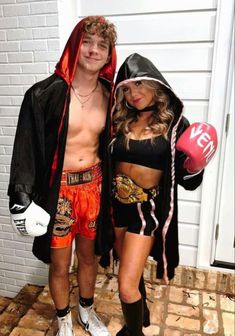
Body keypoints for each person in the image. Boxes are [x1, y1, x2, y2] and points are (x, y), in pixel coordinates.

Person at [8, 16, 117, 336]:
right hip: (60, 193)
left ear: (110, 54)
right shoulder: (43, 94)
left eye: (102, 45)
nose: (94, 50)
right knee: (59, 264)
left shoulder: (113, 96)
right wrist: (22, 197)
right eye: (87, 41)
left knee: (89, 257)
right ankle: (63, 320)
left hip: (95, 189)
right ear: (74, 45)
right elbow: (25, 147)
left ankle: (86, 312)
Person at [110, 53, 217, 336]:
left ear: (157, 85)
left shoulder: (175, 124)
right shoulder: (120, 120)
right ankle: (141, 314)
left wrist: (196, 165)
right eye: (127, 88)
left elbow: (187, 180)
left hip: (146, 211)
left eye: (141, 84)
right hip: (118, 207)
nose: (134, 94)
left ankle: (134, 333)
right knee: (127, 271)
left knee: (125, 285)